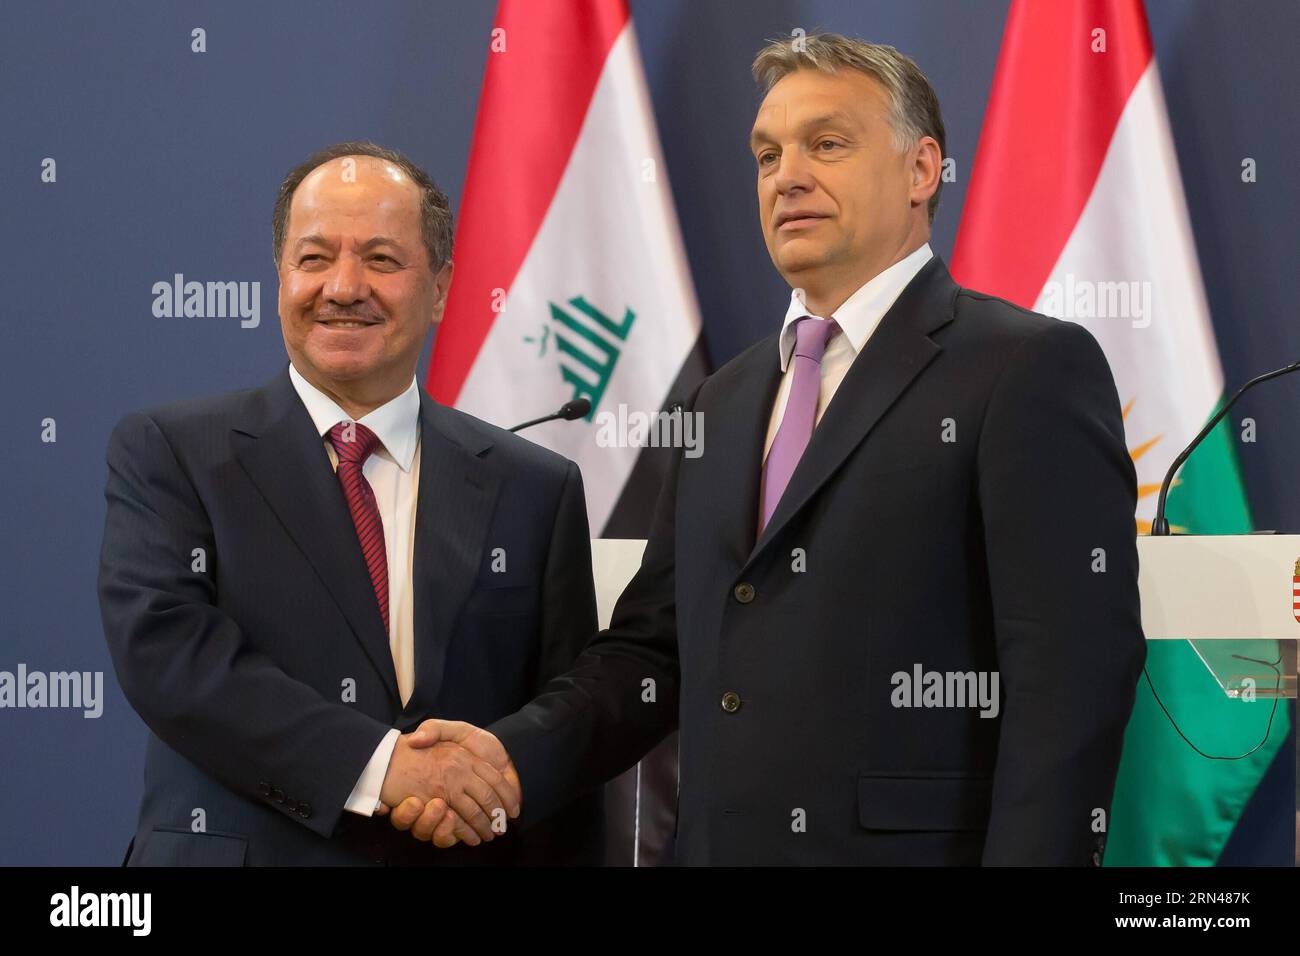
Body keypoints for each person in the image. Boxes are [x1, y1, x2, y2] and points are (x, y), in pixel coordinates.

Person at [397, 34, 1147, 865]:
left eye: (827, 144)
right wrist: (508, 760)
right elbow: (652, 652)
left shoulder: (1025, 368)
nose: (787, 175)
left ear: (922, 169)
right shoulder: (723, 398)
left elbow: (1070, 681)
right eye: (767, 154)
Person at [98, 141, 600, 865]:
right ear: (279, 278)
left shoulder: (535, 487)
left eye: (382, 259)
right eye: (313, 258)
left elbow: (565, 729)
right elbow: (172, 659)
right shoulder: (172, 453)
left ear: (440, 288)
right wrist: (385, 766)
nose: (342, 286)